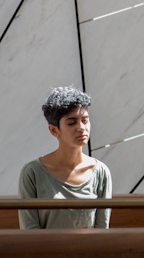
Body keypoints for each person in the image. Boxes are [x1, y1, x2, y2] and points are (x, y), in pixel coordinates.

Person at [18, 86, 112, 229]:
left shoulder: (100, 172)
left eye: (85, 120)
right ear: (54, 130)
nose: (81, 127)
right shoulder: (32, 173)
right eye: (71, 122)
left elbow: (101, 229)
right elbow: (29, 229)